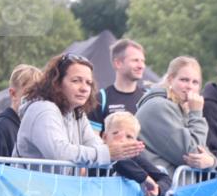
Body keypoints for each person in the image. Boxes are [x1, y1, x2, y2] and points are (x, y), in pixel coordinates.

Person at [14, 53, 144, 168]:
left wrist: (118, 153)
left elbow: (95, 145)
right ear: (56, 83)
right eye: (76, 81)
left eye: (88, 83)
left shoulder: (76, 113)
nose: (84, 88)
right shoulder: (43, 109)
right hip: (31, 187)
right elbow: (59, 153)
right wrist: (107, 153)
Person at [135, 56, 209, 175]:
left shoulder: (179, 108)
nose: (190, 86)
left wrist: (211, 161)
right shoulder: (159, 107)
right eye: (184, 80)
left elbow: (204, 150)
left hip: (170, 184)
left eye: (195, 82)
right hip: (158, 185)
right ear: (170, 79)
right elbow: (194, 153)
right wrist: (196, 114)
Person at [102, 112, 171, 196]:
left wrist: (157, 189)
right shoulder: (98, 155)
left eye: (129, 137)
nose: (122, 140)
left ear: (135, 142)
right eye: (116, 133)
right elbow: (118, 162)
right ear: (104, 137)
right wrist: (146, 179)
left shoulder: (135, 158)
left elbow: (165, 178)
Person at [0, 64, 41, 157]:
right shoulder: (0, 127)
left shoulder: (35, 125)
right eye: (29, 93)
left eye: (39, 94)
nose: (35, 99)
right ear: (13, 94)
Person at [88, 39, 147, 133]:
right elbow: (94, 138)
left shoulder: (148, 97)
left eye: (143, 61)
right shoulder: (101, 99)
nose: (141, 66)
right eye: (135, 60)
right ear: (118, 63)